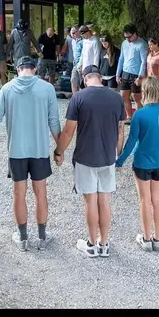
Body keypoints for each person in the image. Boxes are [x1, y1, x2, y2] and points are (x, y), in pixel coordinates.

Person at [0, 55, 61, 251]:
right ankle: (42, 236)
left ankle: (23, 236)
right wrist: (60, 149)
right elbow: (54, 121)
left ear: (18, 70)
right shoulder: (47, 89)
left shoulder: (7, 88)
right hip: (40, 150)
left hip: (16, 150)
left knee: (19, 193)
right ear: (35, 69)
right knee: (40, 191)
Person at [55, 64, 126, 258]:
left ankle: (91, 243)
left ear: (85, 80)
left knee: (90, 201)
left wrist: (59, 151)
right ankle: (104, 243)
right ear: (100, 78)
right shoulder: (117, 98)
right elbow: (120, 130)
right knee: (104, 200)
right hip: (108, 157)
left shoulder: (79, 97)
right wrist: (117, 156)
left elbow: (69, 131)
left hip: (85, 157)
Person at [116, 77, 159, 251]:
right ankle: (158, 238)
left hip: (142, 162)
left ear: (144, 93)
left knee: (145, 200)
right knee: (157, 199)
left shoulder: (139, 114)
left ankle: (146, 238)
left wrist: (119, 161)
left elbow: (132, 142)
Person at [116, 24, 148, 122]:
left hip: (136, 74)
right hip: (125, 72)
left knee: (136, 97)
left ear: (135, 33)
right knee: (123, 96)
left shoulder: (142, 44)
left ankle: (139, 118)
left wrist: (140, 76)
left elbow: (144, 61)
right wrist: (118, 74)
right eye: (126, 37)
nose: (128, 39)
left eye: (129, 37)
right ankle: (129, 117)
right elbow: (121, 58)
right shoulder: (124, 43)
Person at [71, 27, 84, 94]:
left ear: (78, 32)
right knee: (73, 80)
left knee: (82, 82)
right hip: (75, 64)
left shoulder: (83, 41)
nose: (72, 34)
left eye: (74, 33)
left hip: (81, 64)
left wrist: (81, 64)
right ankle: (75, 98)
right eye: (71, 33)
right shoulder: (73, 41)